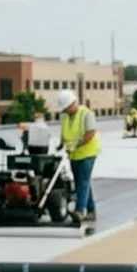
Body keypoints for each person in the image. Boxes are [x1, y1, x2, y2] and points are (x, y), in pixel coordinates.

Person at [56, 89, 100, 224]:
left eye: (67, 107)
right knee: (82, 182)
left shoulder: (86, 114)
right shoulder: (66, 117)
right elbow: (64, 133)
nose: (66, 111)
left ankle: (79, 211)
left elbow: (90, 132)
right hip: (73, 154)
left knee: (83, 182)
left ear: (73, 103)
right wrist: (61, 145)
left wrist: (79, 144)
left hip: (88, 153)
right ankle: (91, 211)